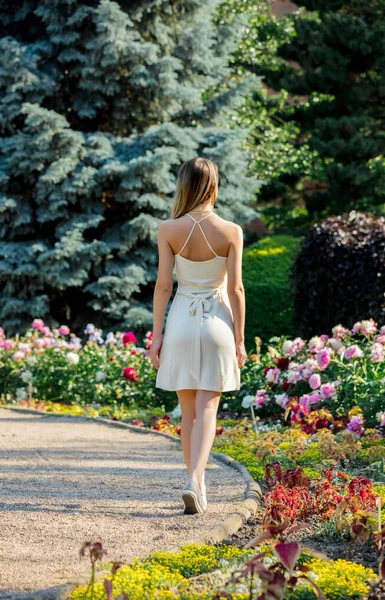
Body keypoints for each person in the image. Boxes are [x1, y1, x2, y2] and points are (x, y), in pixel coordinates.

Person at [149, 156, 247, 515]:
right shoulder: (232, 231)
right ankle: (196, 480)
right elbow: (236, 290)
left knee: (187, 412)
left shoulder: (168, 229)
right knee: (209, 408)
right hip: (218, 322)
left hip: (181, 323)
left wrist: (156, 336)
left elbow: (163, 287)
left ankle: (196, 481)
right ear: (214, 185)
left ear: (184, 185)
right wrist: (239, 338)